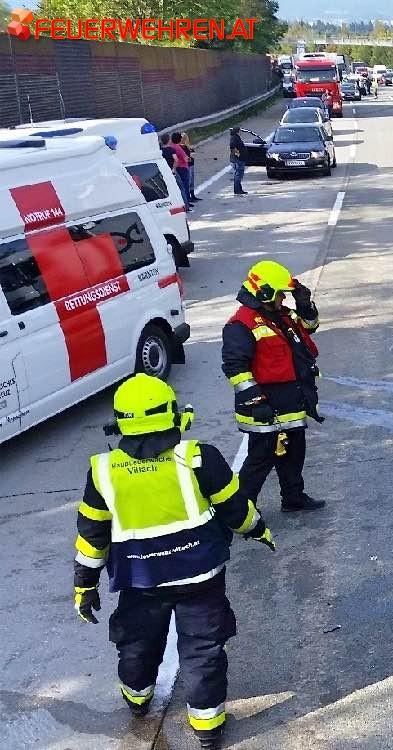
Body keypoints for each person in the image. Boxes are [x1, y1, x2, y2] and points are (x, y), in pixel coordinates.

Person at [72, 375, 274, 750]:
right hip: (200, 577)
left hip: (139, 581)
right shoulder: (198, 457)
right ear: (172, 415)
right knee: (202, 649)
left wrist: (84, 584)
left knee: (137, 643)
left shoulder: (102, 471)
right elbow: (235, 508)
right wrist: (258, 529)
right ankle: (207, 726)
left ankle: (137, 698)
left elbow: (91, 535)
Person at [221, 260, 325, 512]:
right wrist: (257, 401)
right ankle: (242, 510)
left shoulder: (282, 316)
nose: (283, 299)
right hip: (265, 406)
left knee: (293, 454)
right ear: (264, 292)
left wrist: (304, 304)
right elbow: (235, 369)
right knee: (260, 459)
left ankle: (293, 498)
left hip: (290, 403)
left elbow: (310, 327)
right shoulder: (241, 324)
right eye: (280, 294)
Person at [168, 133, 193, 209]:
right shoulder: (179, 148)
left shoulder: (171, 146)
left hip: (176, 168)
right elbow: (186, 158)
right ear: (179, 139)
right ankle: (186, 203)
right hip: (183, 168)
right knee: (185, 186)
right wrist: (190, 158)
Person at [179, 131, 201, 202]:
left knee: (191, 181)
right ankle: (188, 197)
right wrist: (190, 156)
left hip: (191, 165)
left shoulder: (188, 147)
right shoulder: (181, 147)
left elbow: (193, 153)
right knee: (188, 181)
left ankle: (192, 195)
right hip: (187, 166)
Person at [229, 127, 247, 196]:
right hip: (238, 160)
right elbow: (232, 147)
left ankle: (239, 189)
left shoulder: (235, 137)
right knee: (238, 175)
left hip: (237, 159)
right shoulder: (234, 138)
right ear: (237, 131)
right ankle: (237, 190)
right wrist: (238, 154)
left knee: (238, 175)